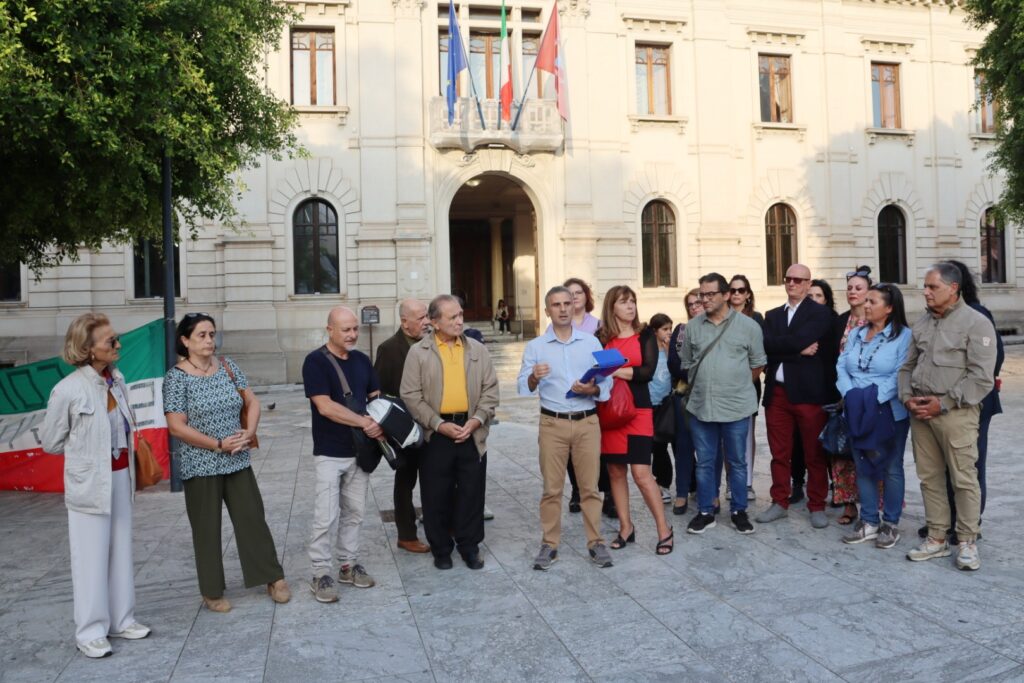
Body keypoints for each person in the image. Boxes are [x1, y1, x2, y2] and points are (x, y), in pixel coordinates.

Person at [163, 313, 289, 613]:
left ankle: (272, 577)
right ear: (185, 341)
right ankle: (211, 590)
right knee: (206, 528)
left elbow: (252, 402)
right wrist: (217, 445)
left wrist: (250, 431)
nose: (209, 341)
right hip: (201, 464)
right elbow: (176, 426)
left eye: (212, 334)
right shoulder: (176, 378)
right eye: (202, 335)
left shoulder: (229, 367)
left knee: (252, 519)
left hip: (237, 460)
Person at [41, 313, 150, 658]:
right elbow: (50, 442)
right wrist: (85, 457)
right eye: (110, 342)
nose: (118, 345)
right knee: (89, 557)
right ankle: (89, 631)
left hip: (121, 476)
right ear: (88, 350)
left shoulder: (116, 379)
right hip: (89, 482)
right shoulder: (69, 389)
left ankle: (122, 619)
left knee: (120, 549)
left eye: (116, 339)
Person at [900, 263, 996, 571]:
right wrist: (907, 399)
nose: (925, 292)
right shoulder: (922, 323)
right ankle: (937, 538)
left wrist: (943, 404)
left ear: (953, 288)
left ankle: (967, 541)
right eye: (925, 287)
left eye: (932, 287)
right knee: (929, 478)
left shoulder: (976, 323)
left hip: (956, 413)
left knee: (963, 478)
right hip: (921, 414)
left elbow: (981, 378)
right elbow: (906, 368)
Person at [518, 286, 614, 570]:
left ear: (574, 307)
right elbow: (523, 387)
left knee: (590, 488)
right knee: (552, 489)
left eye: (566, 303)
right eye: (555, 304)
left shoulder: (590, 343)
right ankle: (549, 544)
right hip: (552, 423)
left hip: (587, 422)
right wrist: (534, 377)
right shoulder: (536, 347)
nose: (562, 309)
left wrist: (591, 388)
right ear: (547, 310)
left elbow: (605, 385)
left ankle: (596, 542)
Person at [401, 294, 499, 570]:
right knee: (435, 494)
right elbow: (410, 395)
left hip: (471, 431)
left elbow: (491, 391)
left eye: (460, 315)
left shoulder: (477, 350)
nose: (459, 321)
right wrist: (437, 423)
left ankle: (470, 547)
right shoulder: (418, 353)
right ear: (434, 322)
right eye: (452, 317)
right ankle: (441, 549)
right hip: (436, 434)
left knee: (471, 493)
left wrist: (477, 420)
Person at [302, 306, 383, 603]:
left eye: (355, 329)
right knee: (326, 515)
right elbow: (324, 406)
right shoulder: (315, 362)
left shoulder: (362, 360)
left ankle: (348, 565)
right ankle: (320, 572)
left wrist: (382, 424)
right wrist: (364, 422)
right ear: (330, 330)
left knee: (356, 513)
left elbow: (375, 399)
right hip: (329, 450)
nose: (352, 334)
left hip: (360, 450)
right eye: (345, 329)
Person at [682, 274, 767, 535]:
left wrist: (736, 384)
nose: (703, 300)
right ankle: (706, 511)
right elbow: (687, 363)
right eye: (701, 295)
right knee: (706, 462)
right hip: (701, 406)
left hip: (737, 407)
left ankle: (739, 511)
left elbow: (758, 363)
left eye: (709, 295)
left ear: (726, 295)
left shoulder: (749, 326)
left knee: (737, 462)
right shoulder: (693, 327)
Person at [756, 264, 834, 529]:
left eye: (798, 280)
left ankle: (816, 505)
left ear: (807, 282)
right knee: (779, 453)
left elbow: (795, 339)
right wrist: (797, 351)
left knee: (814, 453)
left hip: (808, 394)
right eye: (788, 278)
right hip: (777, 394)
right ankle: (779, 501)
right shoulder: (773, 315)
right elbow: (765, 346)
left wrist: (783, 347)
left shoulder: (821, 314)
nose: (792, 283)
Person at [598, 285, 674, 555]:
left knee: (642, 474)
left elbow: (647, 373)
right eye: (623, 302)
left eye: (632, 301)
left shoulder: (645, 336)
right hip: (610, 412)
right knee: (616, 472)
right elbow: (596, 371)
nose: (630, 306)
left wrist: (616, 370)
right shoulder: (602, 336)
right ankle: (626, 528)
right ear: (612, 307)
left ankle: (664, 530)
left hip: (639, 411)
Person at [837, 284, 913, 548]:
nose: (866, 305)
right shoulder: (857, 333)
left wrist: (871, 399)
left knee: (891, 467)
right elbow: (841, 364)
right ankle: (868, 521)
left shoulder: (904, 336)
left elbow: (901, 374)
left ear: (890, 308)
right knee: (862, 465)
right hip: (857, 409)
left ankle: (890, 524)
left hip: (888, 411)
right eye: (865, 301)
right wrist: (851, 396)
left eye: (872, 301)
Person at [374, 299, 431, 555]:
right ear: (404, 322)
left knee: (435, 479)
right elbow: (380, 391)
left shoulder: (433, 344)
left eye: (427, 316)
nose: (426, 322)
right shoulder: (389, 349)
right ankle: (406, 535)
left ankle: (439, 525)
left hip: (432, 424)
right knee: (406, 480)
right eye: (420, 318)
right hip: (405, 429)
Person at [830, 266, 873, 524]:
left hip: (870, 397)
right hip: (843, 397)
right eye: (849, 288)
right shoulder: (840, 321)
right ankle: (849, 505)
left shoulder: (876, 319)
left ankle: (873, 505)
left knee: (871, 452)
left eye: (858, 288)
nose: (853, 292)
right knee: (843, 452)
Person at [561, 277, 605, 515]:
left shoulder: (598, 326)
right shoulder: (557, 325)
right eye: (570, 293)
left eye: (579, 292)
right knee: (569, 449)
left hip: (591, 394)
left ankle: (597, 490)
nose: (575, 296)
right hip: (566, 397)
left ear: (587, 296)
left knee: (593, 448)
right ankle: (577, 491)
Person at [794, 279, 837, 504]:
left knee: (828, 443)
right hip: (802, 389)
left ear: (826, 299)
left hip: (828, 390)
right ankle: (798, 483)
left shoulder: (833, 322)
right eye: (809, 296)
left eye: (818, 296)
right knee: (800, 442)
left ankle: (833, 486)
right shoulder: (798, 322)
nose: (813, 300)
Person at [728, 274, 764, 501]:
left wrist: (746, 381)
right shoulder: (721, 317)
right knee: (727, 437)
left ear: (748, 294)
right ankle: (731, 483)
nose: (737, 294)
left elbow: (760, 355)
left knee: (747, 432)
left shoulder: (757, 318)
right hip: (724, 386)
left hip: (749, 384)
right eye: (733, 290)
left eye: (741, 290)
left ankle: (748, 483)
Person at [667, 289, 703, 515]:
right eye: (690, 304)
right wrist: (697, 374)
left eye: (698, 303)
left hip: (710, 397)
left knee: (709, 449)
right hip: (683, 397)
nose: (694, 307)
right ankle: (682, 494)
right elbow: (673, 363)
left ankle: (710, 495)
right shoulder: (680, 331)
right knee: (683, 447)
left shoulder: (716, 328)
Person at [648, 313, 675, 504]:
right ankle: (655, 483)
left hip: (666, 405)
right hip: (649, 405)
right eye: (665, 329)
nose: (669, 332)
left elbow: (676, 370)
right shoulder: (648, 351)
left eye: (670, 328)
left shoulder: (671, 350)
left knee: (662, 445)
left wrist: (669, 352)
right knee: (653, 447)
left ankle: (664, 484)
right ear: (655, 331)